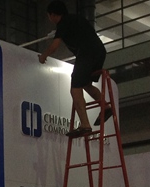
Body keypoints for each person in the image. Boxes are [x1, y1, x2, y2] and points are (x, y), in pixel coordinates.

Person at [38, 1, 111, 138]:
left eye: (49, 15)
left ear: (53, 15)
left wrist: (43, 56)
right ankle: (106, 107)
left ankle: (85, 124)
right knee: (86, 84)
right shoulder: (77, 18)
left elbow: (54, 46)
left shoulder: (63, 23)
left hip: (86, 53)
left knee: (75, 88)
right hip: (99, 51)